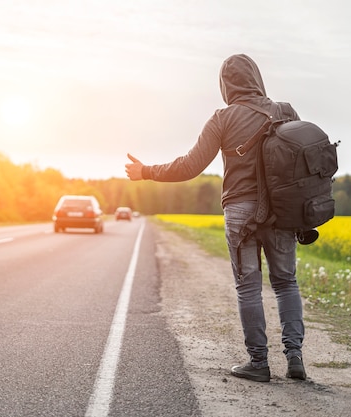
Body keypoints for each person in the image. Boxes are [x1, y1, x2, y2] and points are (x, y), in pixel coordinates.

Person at [125, 53, 307, 382]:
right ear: (256, 78)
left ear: (225, 85)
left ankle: (258, 363)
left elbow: (189, 166)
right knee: (286, 283)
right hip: (281, 211)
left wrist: (145, 172)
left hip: (241, 213)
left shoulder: (222, 119)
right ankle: (295, 358)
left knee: (249, 288)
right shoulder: (285, 111)